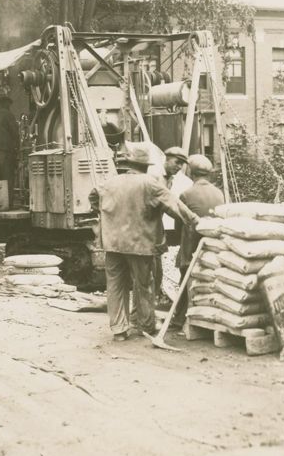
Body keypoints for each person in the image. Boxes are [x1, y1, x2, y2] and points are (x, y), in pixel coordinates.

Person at [91, 144, 200, 341]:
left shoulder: (109, 183)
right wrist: (195, 221)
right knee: (143, 285)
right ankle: (146, 326)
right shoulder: (150, 184)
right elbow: (175, 206)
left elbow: (93, 196)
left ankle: (119, 330)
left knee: (116, 286)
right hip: (140, 244)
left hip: (112, 243)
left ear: (127, 163)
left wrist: (105, 213)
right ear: (145, 165)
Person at [153, 146, 194, 303]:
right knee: (150, 272)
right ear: (167, 159)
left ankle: (156, 300)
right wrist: (191, 220)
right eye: (177, 162)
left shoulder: (171, 179)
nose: (179, 167)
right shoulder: (156, 177)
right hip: (149, 229)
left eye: (181, 164)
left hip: (159, 228)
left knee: (158, 269)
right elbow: (168, 205)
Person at [176, 155, 226, 274]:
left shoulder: (186, 195)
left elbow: (178, 224)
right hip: (213, 242)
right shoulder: (219, 193)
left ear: (190, 173)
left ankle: (184, 291)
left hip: (192, 245)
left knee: (186, 274)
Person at [0, 95, 20, 206]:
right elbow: (15, 133)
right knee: (8, 178)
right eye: (9, 104)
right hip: (5, 151)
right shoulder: (8, 115)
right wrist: (18, 146)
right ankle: (8, 203)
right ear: (6, 104)